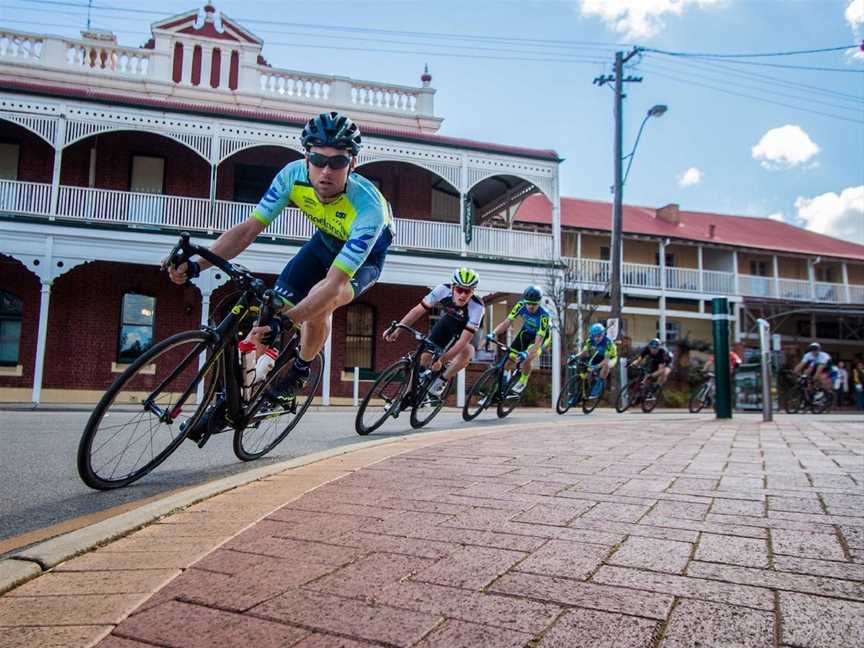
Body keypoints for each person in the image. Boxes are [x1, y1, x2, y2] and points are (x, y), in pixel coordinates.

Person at [168, 111, 394, 407]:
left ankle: (299, 370)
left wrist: (287, 323)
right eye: (317, 160)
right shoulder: (292, 175)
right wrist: (199, 263)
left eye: (337, 162)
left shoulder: (369, 208)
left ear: (352, 163)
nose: (326, 171)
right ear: (305, 157)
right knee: (270, 308)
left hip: (366, 260)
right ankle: (243, 393)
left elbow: (334, 284)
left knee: (318, 303)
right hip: (324, 243)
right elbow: (249, 229)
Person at [384, 267, 483, 398]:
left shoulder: (477, 307)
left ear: (473, 292)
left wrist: (442, 360)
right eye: (460, 290)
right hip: (449, 321)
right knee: (424, 357)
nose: (463, 295)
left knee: (467, 352)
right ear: (453, 287)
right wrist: (399, 329)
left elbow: (463, 340)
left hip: (467, 331)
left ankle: (442, 380)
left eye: (468, 291)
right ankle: (408, 396)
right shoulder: (442, 289)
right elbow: (417, 310)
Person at [488, 285, 551, 395]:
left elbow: (538, 342)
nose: (531, 306)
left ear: (539, 303)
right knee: (510, 359)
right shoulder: (520, 305)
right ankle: (501, 386)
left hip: (540, 338)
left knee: (527, 359)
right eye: (528, 303)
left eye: (534, 304)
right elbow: (506, 322)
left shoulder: (544, 316)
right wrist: (493, 333)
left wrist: (526, 353)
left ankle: (523, 380)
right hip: (526, 333)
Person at [576, 322, 619, 397]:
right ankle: (587, 386)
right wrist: (574, 356)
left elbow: (605, 360)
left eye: (599, 336)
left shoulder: (608, 343)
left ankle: (600, 383)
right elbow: (584, 352)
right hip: (600, 355)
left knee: (606, 366)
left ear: (603, 334)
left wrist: (596, 367)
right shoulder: (590, 340)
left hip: (611, 358)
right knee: (588, 368)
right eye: (594, 336)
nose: (596, 338)